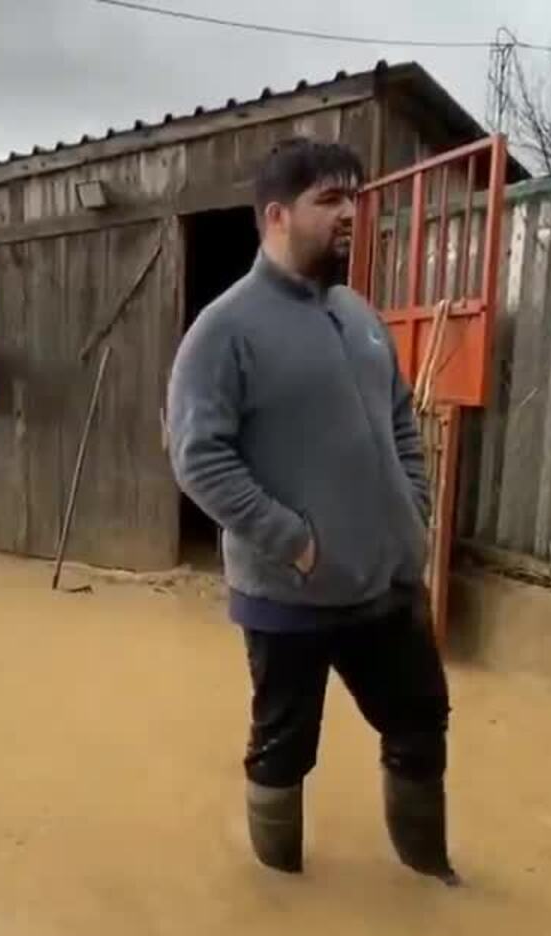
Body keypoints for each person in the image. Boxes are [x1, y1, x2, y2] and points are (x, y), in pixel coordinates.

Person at [165, 138, 457, 885]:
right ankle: (281, 888)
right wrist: (294, 542)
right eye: (328, 200)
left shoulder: (358, 315)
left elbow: (400, 418)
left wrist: (412, 506)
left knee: (420, 721)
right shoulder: (223, 330)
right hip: (289, 593)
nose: (350, 214)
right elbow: (199, 459)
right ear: (276, 216)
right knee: (284, 749)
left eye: (353, 197)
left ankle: (429, 874)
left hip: (386, 577)